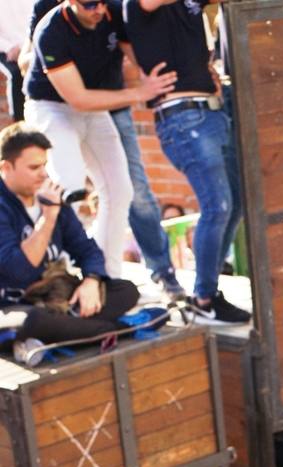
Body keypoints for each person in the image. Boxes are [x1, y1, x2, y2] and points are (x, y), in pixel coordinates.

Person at [26, 0, 187, 298]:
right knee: (70, 186)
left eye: (102, 1)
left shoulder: (113, 12)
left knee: (121, 190)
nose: (98, 9)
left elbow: (139, 57)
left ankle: (104, 273)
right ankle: (57, 274)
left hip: (98, 103)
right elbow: (78, 99)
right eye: (89, 4)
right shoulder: (51, 31)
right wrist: (140, 92)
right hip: (54, 107)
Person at [123, 0, 251, 325]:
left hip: (212, 111)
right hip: (183, 117)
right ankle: (204, 300)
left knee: (234, 205)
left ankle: (206, 292)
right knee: (218, 206)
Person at [0, 124, 138, 347]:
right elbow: (18, 272)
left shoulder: (51, 196)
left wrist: (91, 281)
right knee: (32, 321)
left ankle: (72, 332)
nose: (44, 173)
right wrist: (48, 218)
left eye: (45, 165)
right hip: (11, 306)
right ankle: (111, 330)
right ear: (6, 167)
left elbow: (87, 249)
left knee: (125, 291)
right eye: (34, 167)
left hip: (55, 299)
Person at [0, 0, 35, 122]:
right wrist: (8, 48)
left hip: (30, 46)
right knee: (16, 74)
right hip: (5, 50)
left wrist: (23, 47)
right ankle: (19, 121)